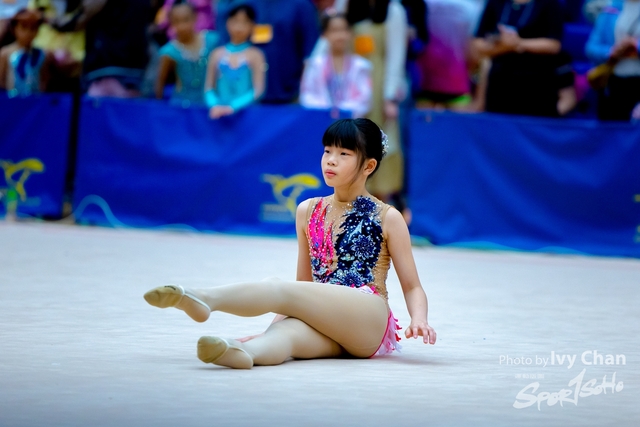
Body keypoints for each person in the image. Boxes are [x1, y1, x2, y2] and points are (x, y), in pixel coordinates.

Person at [143, 118, 437, 369]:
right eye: (327, 150)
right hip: (329, 319)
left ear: (368, 166)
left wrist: (419, 319)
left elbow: (412, 286)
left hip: (368, 317)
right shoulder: (307, 210)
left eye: (344, 153)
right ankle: (242, 352)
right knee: (286, 336)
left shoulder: (387, 216)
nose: (331, 160)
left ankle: (206, 298)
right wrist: (270, 330)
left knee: (276, 286)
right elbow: (303, 286)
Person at [346, 0, 409, 203]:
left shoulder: (393, 10)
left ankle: (381, 207)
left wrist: (390, 96)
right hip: (351, 86)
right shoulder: (348, 5)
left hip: (379, 88)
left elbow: (396, 56)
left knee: (380, 143)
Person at [472, 0, 564, 117]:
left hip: (536, 80)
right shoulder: (495, 2)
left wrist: (518, 43)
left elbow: (554, 45)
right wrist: (502, 47)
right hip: (500, 78)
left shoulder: (549, 4)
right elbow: (477, 43)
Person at [216, 0, 319, 104]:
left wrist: (303, 93)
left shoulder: (301, 5)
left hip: (289, 97)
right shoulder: (241, 3)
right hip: (243, 100)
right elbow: (225, 51)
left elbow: (311, 55)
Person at [300, 11, 372, 118]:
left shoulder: (361, 66)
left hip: (351, 122)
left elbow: (364, 99)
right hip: (321, 120)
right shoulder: (315, 65)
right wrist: (328, 112)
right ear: (325, 34)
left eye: (343, 30)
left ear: (350, 33)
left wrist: (342, 112)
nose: (339, 36)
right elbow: (307, 96)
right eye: (334, 30)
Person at [204, 3, 265, 119]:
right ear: (227, 23)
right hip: (218, 115)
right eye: (235, 21)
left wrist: (232, 107)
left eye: (245, 22)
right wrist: (215, 105)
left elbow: (258, 91)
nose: (239, 27)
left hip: (247, 115)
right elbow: (208, 88)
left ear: (252, 26)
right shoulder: (216, 54)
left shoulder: (256, 55)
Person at [155, 1, 218, 107]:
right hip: (181, 106)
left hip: (210, 105)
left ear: (195, 17)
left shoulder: (212, 40)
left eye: (186, 20)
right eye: (176, 21)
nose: (182, 26)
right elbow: (159, 85)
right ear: (170, 22)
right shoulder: (168, 52)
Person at [585, 0, 640, 121]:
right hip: (614, 81)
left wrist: (635, 46)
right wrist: (611, 52)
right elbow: (591, 48)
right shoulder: (611, 8)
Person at [0, 8, 50, 97]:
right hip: (12, 101)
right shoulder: (6, 53)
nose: (28, 32)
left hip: (35, 101)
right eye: (24, 27)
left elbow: (44, 80)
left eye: (33, 28)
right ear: (14, 28)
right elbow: (1, 81)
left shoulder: (42, 54)